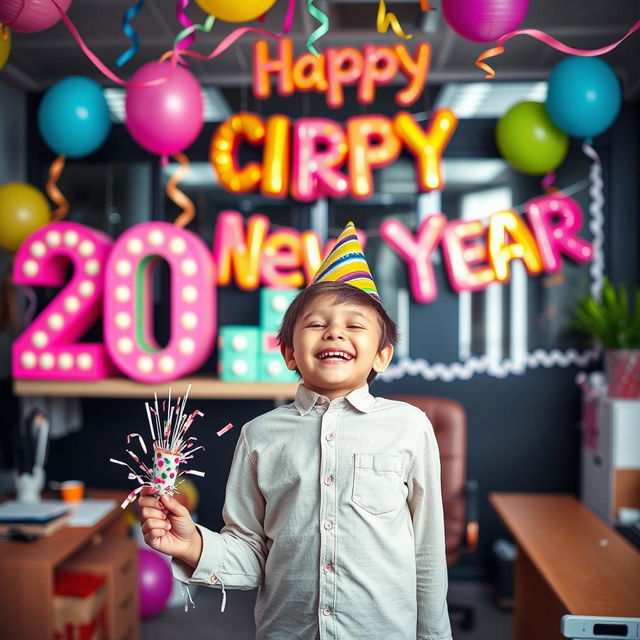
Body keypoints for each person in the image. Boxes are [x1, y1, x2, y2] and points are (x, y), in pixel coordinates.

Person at [139, 222, 452, 640]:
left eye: (354, 325)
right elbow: (250, 553)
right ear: (288, 353)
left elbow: (426, 553)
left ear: (382, 356)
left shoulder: (408, 426)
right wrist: (193, 545)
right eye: (316, 324)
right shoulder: (259, 436)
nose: (334, 331)